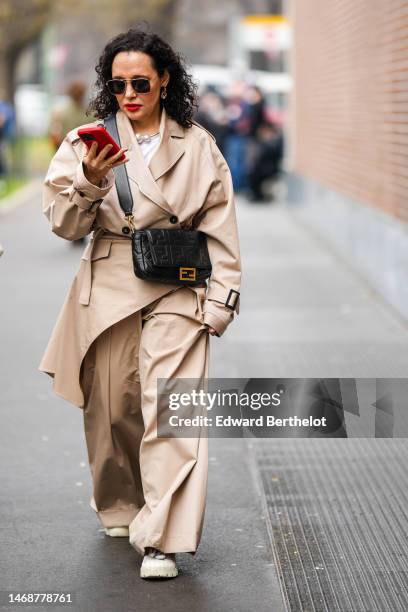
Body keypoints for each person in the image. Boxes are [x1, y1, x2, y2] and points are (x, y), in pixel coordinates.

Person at [38, 26, 241, 580]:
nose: (129, 93)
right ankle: (123, 504)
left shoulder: (197, 144)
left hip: (177, 285)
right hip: (106, 288)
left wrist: (220, 301)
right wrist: (88, 183)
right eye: (119, 82)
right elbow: (62, 225)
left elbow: (220, 226)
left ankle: (162, 541)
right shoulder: (88, 142)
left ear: (165, 81)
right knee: (111, 412)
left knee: (171, 412)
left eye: (141, 82)